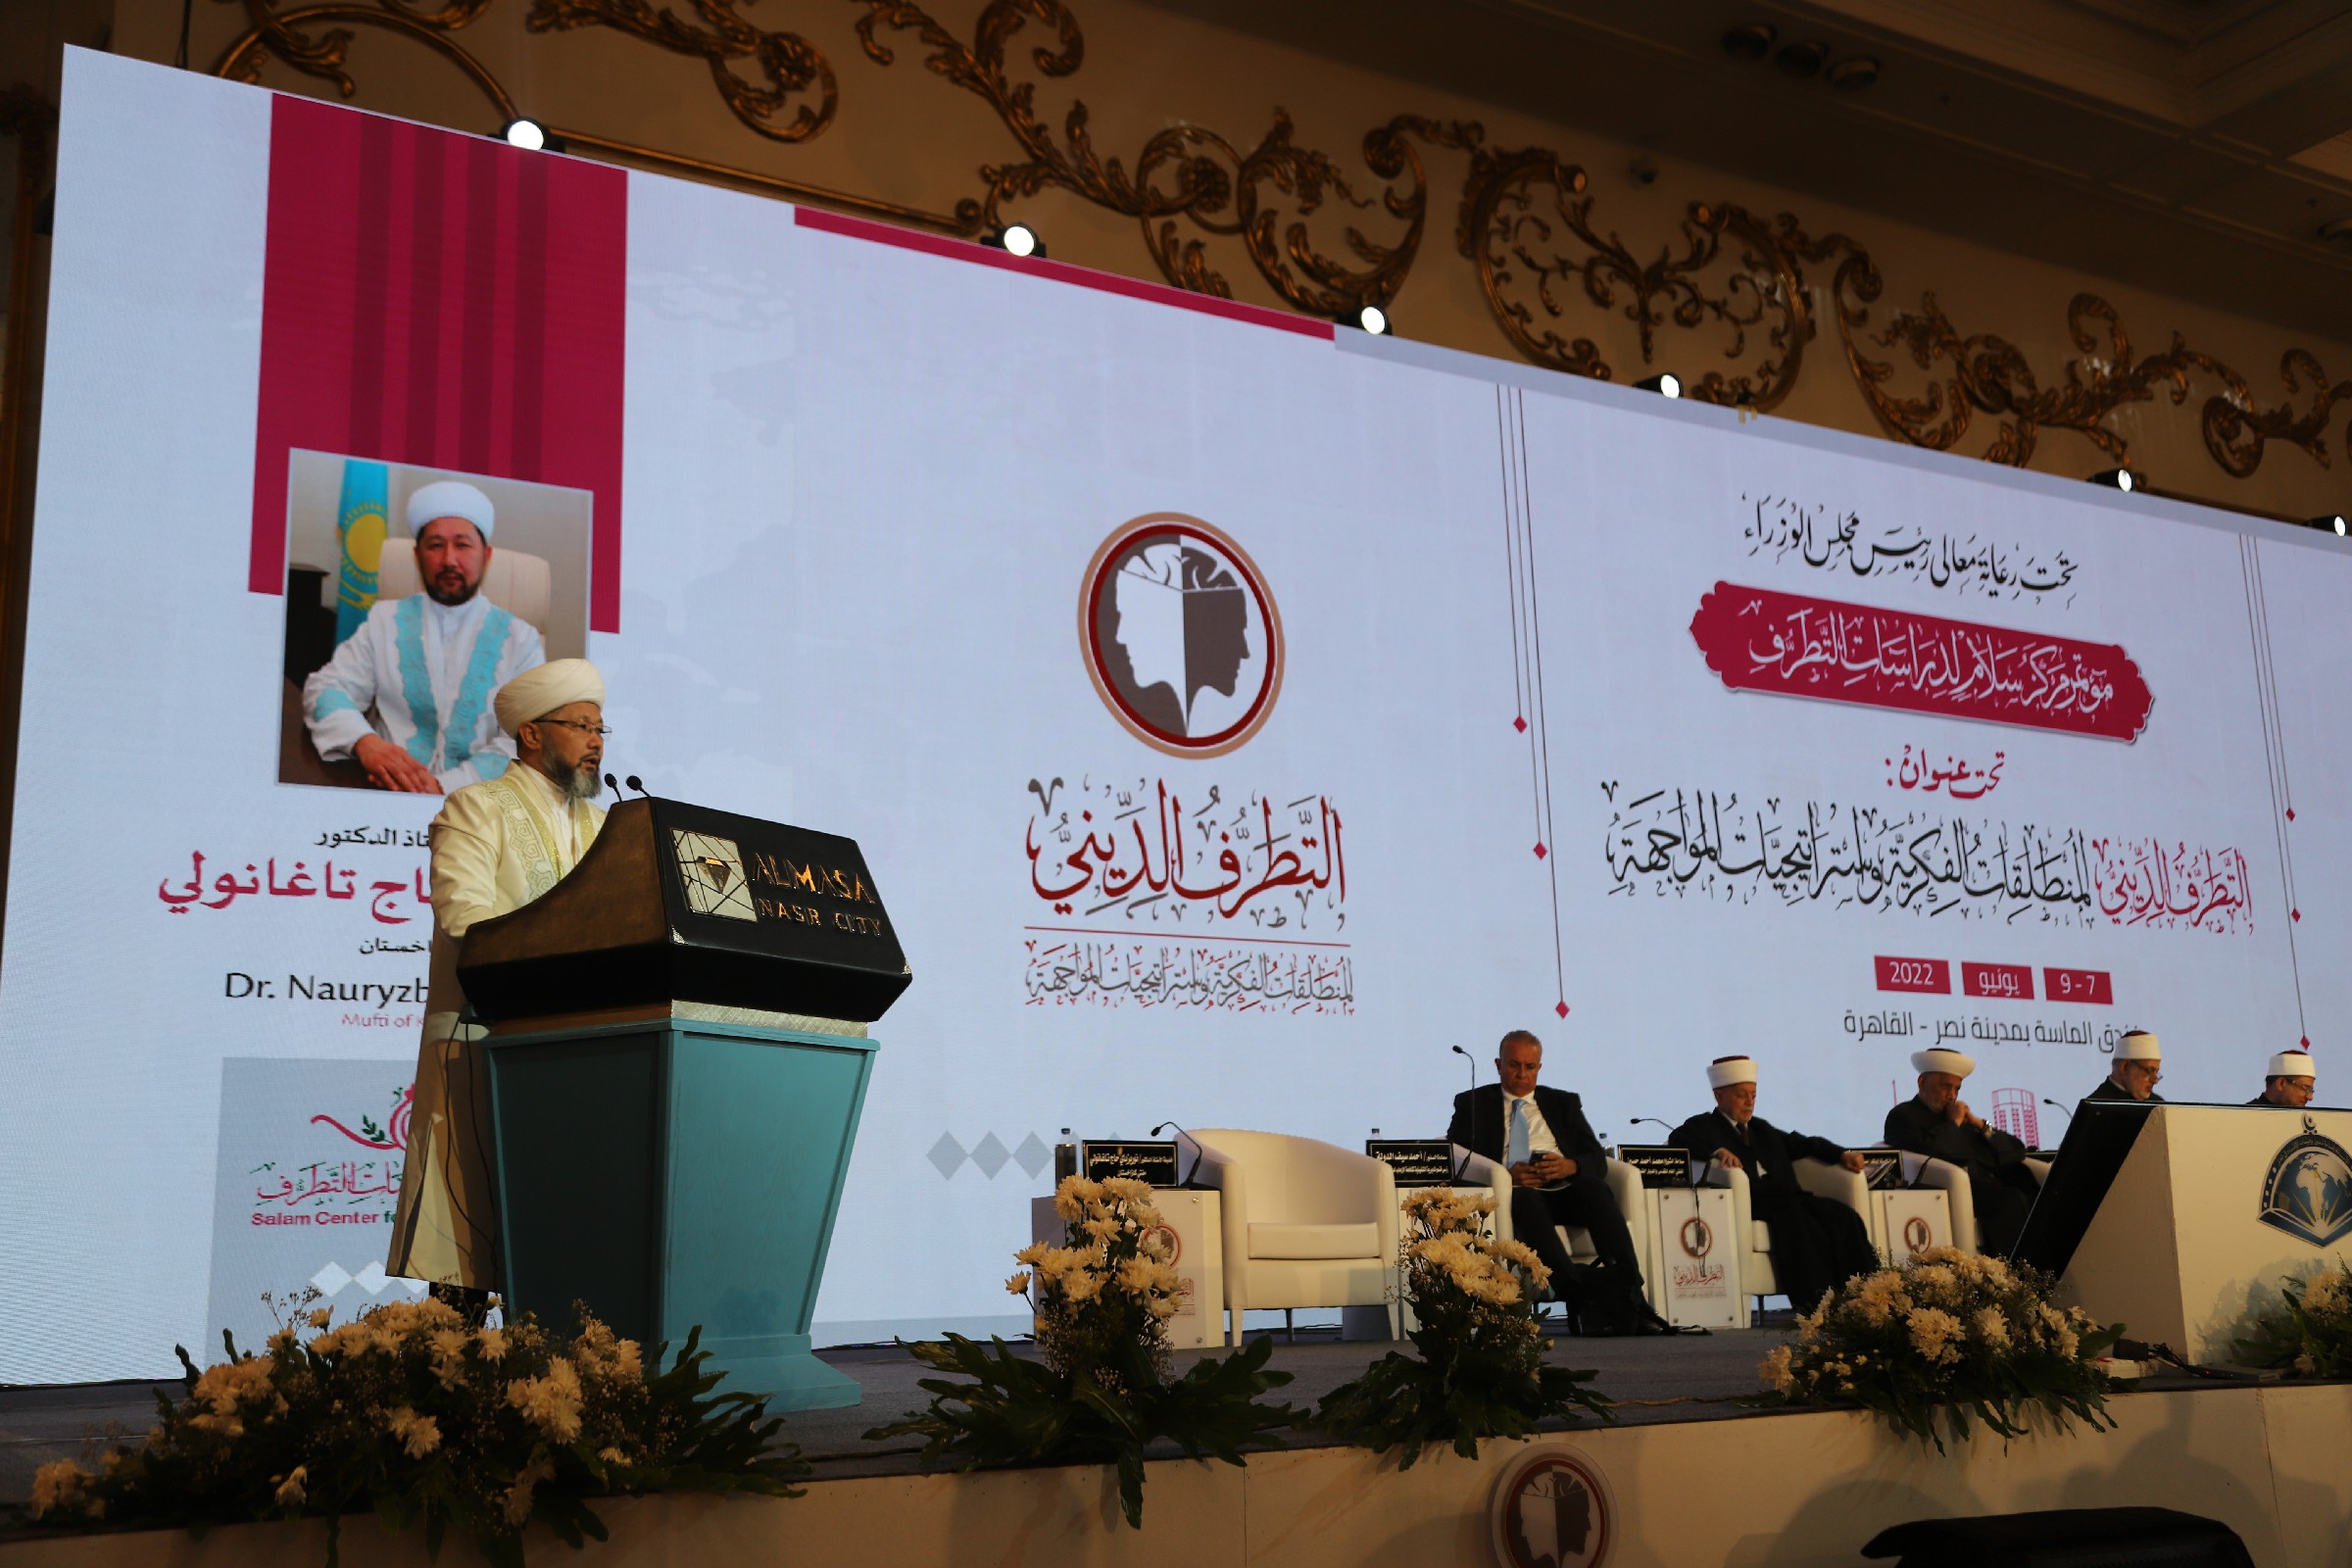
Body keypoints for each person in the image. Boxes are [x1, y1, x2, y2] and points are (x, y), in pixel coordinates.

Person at [388, 659, 609, 1311]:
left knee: (568, 1255)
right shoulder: (475, 808)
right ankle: (454, 1378)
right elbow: (466, 919)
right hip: (482, 1047)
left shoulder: (608, 829)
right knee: (466, 1248)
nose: (596, 742)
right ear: (532, 734)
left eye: (601, 729)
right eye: (582, 726)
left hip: (587, 1056)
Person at [302, 479, 545, 793]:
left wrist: (443, 786)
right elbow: (325, 690)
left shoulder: (521, 640)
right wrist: (365, 743)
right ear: (417, 556)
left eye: (462, 545)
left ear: (486, 556)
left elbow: (527, 738)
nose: (449, 560)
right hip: (386, 790)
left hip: (479, 804)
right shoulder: (384, 621)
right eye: (435, 545)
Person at [1447, 1029, 1667, 1333]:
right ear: (1499, 1065)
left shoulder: (1563, 1103)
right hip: (1516, 1194)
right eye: (1514, 1065)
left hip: (1563, 1190)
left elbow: (1596, 1158)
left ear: (1539, 1067)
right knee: (1526, 1198)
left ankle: (1632, 1294)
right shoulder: (1473, 1103)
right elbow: (1457, 1158)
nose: (1522, 1074)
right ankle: (1577, 1295)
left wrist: (1569, 1166)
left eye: (1530, 1067)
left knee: (1595, 1188)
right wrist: (1506, 1174)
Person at [1671, 1055, 1879, 1312]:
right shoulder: (1703, 1125)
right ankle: (1817, 1306)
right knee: (1798, 1221)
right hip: (1757, 1201)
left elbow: (1804, 1144)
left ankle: (1869, 1297)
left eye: (1753, 1095)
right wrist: (1716, 1151)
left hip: (1789, 1197)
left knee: (1844, 1216)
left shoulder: (1761, 1129)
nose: (1749, 1102)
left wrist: (1841, 1154)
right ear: (1719, 1096)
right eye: (1741, 1095)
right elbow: (1678, 1138)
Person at [1884, 1047, 2040, 1256]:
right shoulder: (1903, 1115)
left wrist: (1980, 1125)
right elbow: (1935, 1151)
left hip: (1989, 1183)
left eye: (1957, 1089)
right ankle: (2020, 1267)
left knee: (2034, 1187)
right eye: (1945, 1086)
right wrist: (1954, 1123)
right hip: (1954, 1189)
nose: (1952, 1095)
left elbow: (2016, 1150)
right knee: (2010, 1199)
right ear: (1922, 1082)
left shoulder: (1957, 1117)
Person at [2087, 1029, 2164, 1102]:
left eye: (2156, 1072)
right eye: (2149, 1071)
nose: (2155, 1080)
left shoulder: (2159, 1105)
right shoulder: (2095, 1106)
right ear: (2125, 1067)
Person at [2250, 1051, 2317, 1108]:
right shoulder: (2247, 1116)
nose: (2310, 1097)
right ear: (2281, 1083)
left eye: (2311, 1090)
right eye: (2305, 1088)